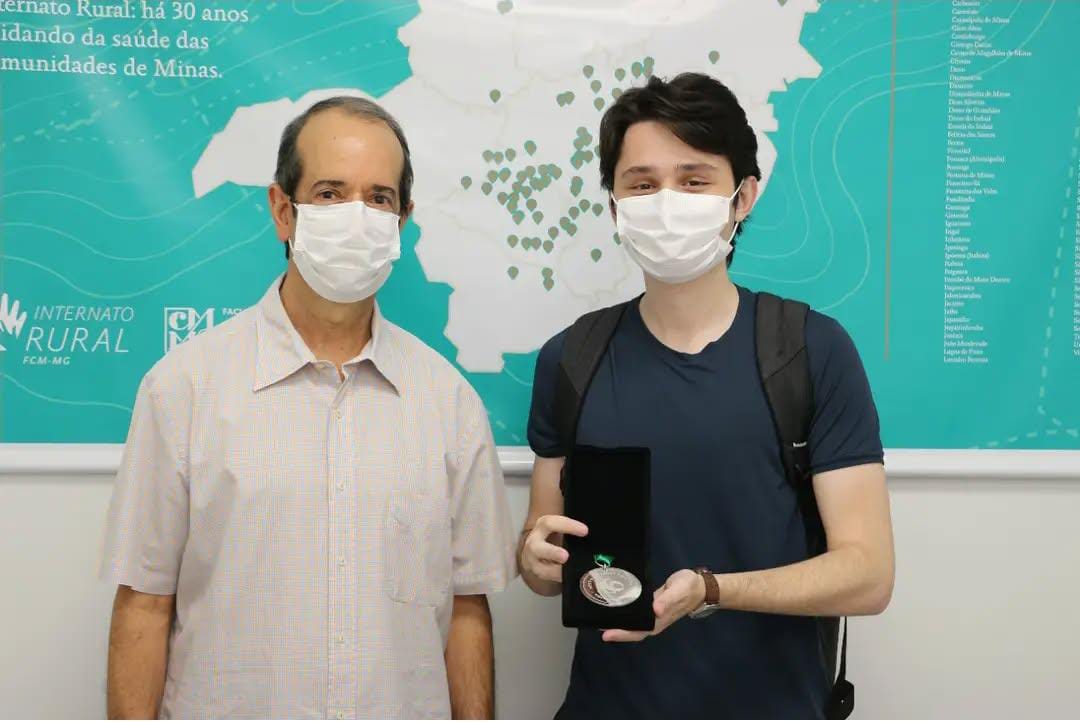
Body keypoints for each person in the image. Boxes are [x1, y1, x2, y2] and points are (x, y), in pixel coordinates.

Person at [102, 96, 517, 720]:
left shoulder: (449, 402)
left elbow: (466, 609)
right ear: (282, 210)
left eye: (379, 198)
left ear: (402, 220)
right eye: (329, 193)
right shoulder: (183, 388)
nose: (356, 216)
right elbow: (145, 601)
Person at [518, 73, 895, 719]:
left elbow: (867, 575)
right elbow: (541, 553)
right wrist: (535, 558)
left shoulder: (809, 351)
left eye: (694, 181)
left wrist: (712, 590)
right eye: (642, 184)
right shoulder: (571, 358)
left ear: (742, 196)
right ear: (614, 206)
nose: (667, 202)